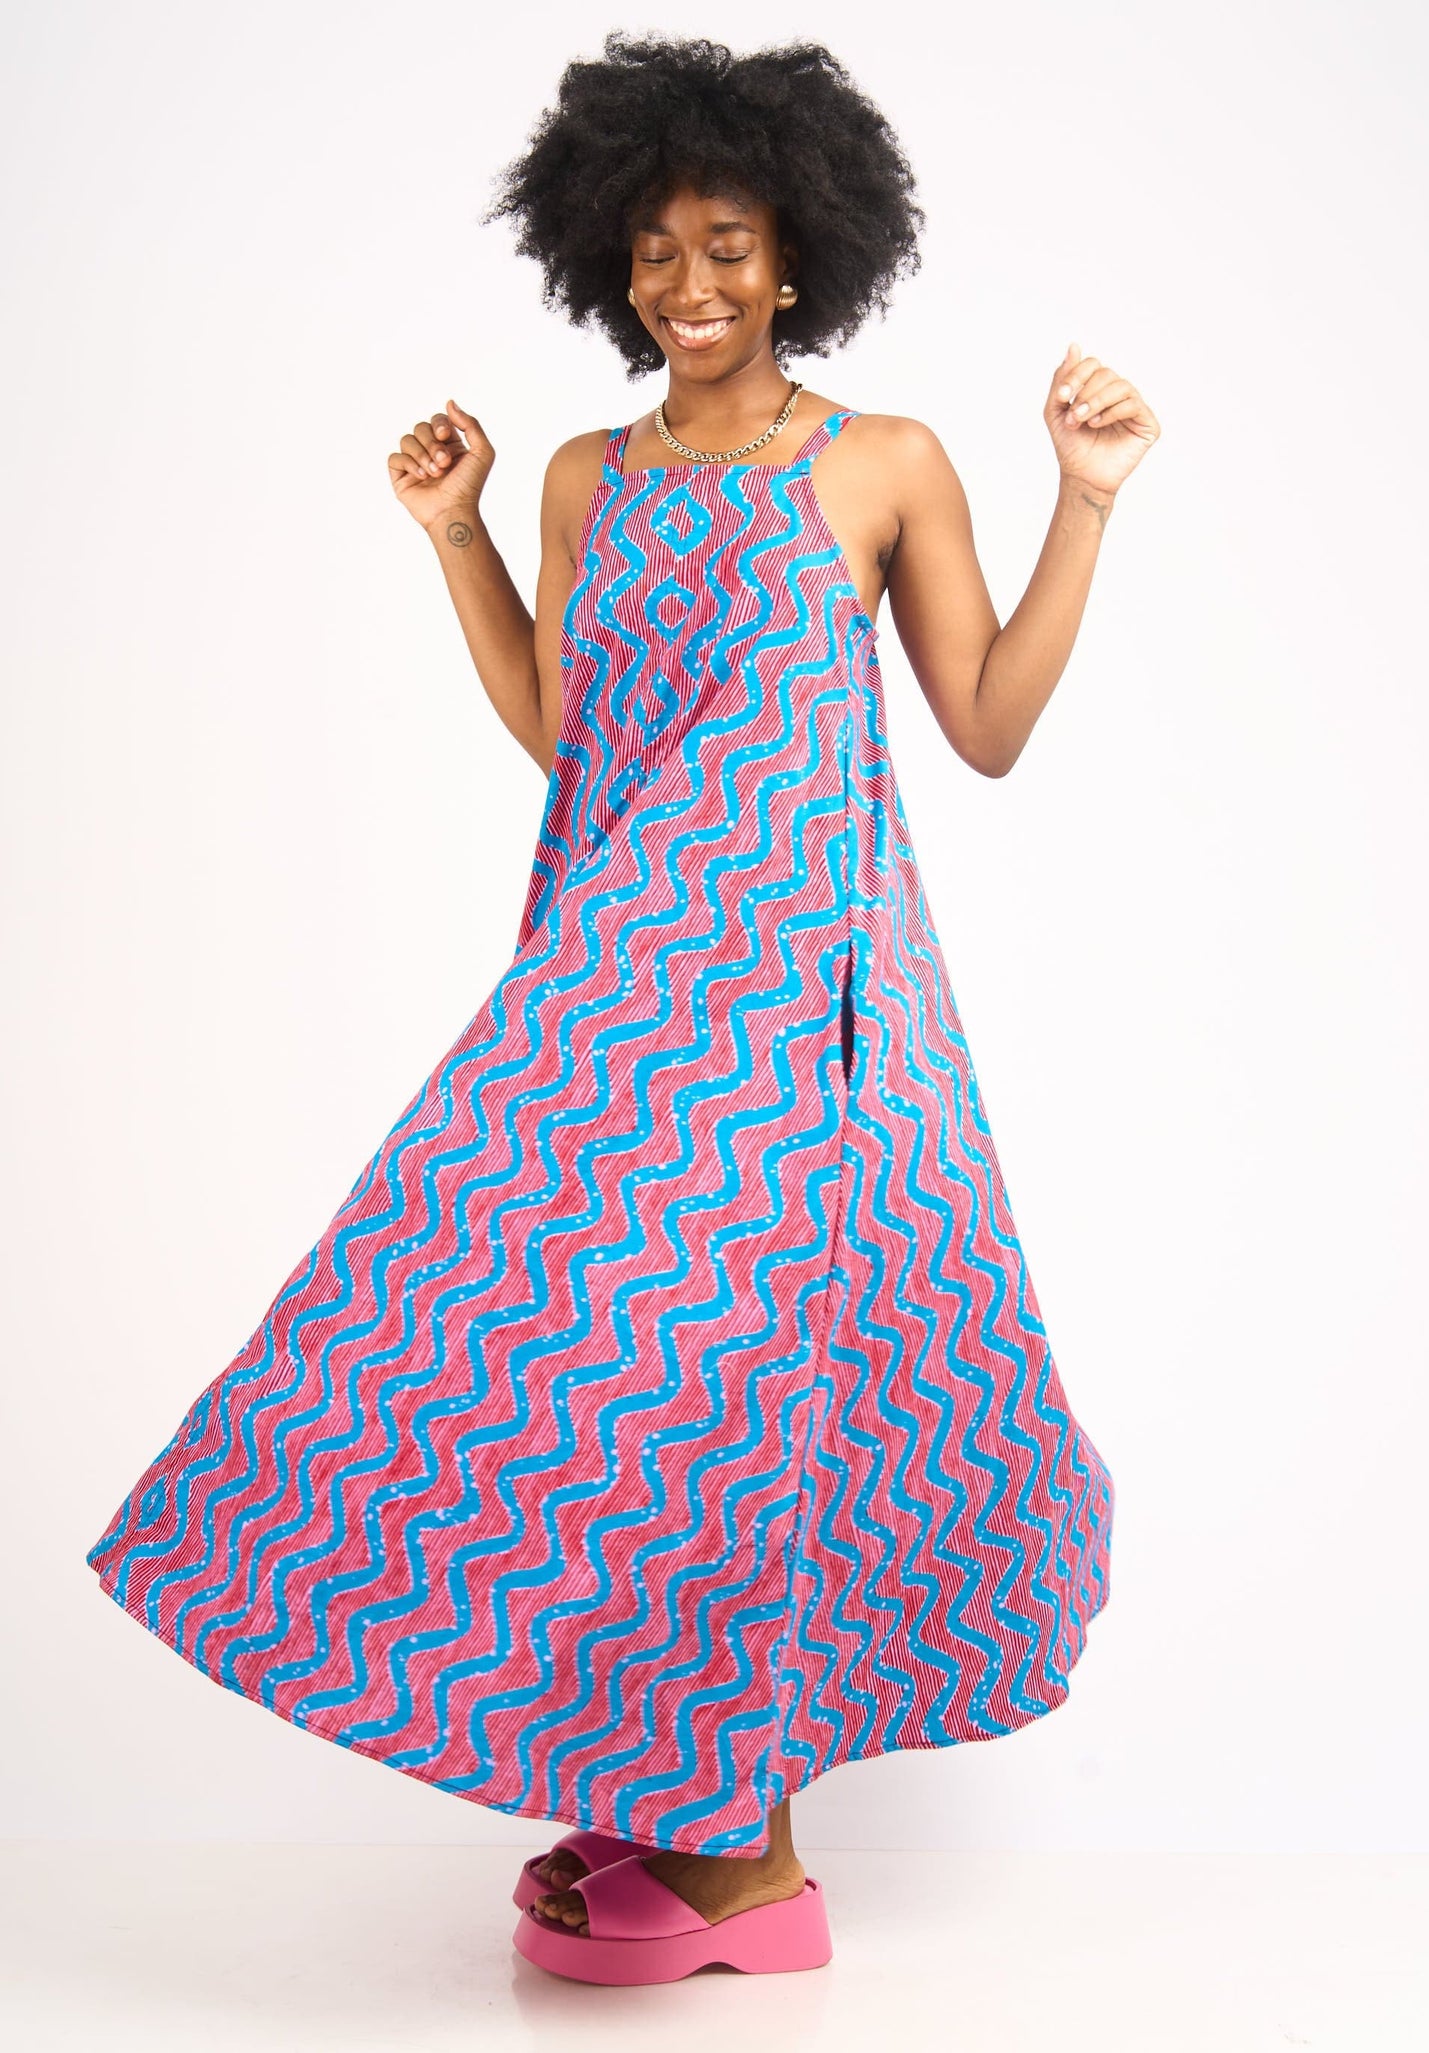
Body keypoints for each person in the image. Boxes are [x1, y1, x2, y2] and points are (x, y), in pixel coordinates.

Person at [85, 31, 1157, 1987]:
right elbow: (573, 737)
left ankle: (749, 1864)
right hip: (612, 982)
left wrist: (1084, 499)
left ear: (799, 251)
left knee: (756, 1391)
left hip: (811, 1007)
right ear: (607, 259)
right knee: (551, 1358)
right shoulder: (592, 476)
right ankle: (673, 1785)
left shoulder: (885, 464)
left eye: (727, 243)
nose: (689, 282)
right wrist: (460, 535)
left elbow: (988, 723)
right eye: (655, 248)